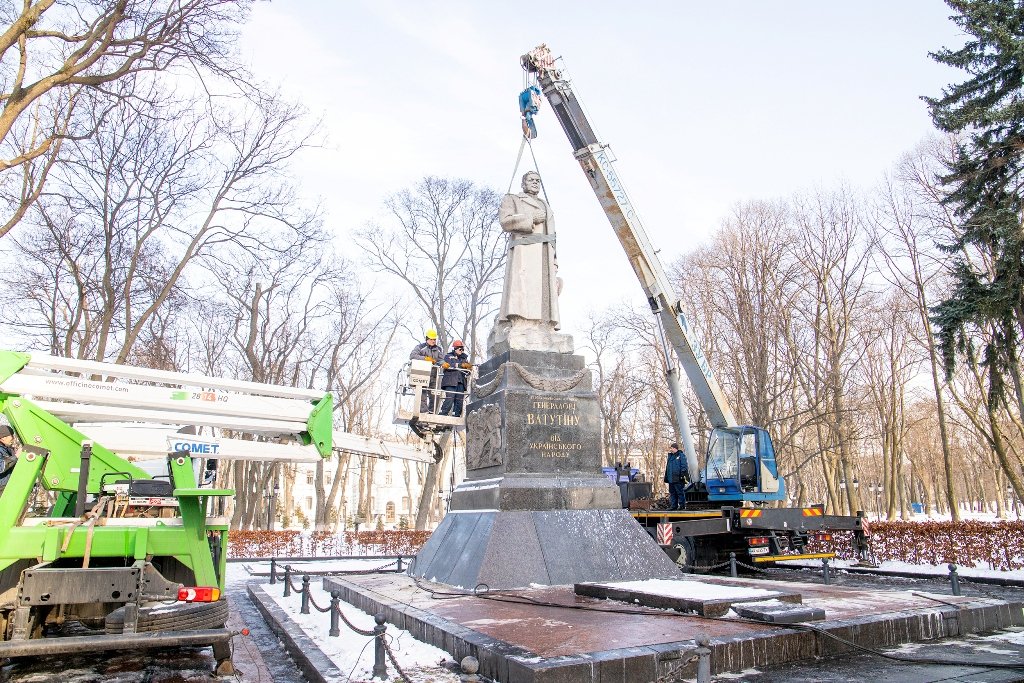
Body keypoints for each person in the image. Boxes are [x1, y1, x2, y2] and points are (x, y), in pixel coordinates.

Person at [496, 171, 561, 328]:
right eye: (531, 180)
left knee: (545, 293)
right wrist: (530, 218)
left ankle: (545, 325)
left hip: (544, 254)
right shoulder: (513, 199)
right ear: (523, 183)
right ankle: (522, 323)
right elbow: (505, 221)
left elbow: (552, 236)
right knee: (523, 291)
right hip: (525, 251)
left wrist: (554, 260)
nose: (535, 182)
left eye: (538, 180)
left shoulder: (546, 204)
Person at [409, 329, 443, 413]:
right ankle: (424, 412)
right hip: (422, 374)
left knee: (435, 396)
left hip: (434, 375)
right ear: (427, 339)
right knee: (422, 395)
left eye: (434, 339)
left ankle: (432, 412)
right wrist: (425, 359)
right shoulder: (420, 347)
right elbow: (412, 356)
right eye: (431, 339)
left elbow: (440, 360)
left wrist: (443, 363)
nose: (433, 341)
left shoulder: (438, 349)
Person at [438, 340, 472, 417]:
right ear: (455, 348)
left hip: (461, 382)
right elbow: (449, 365)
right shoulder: (448, 356)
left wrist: (469, 368)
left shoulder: (464, 358)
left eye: (463, 349)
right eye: (460, 349)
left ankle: (456, 415)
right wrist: (460, 365)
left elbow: (467, 372)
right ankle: (443, 413)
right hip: (450, 381)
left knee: (459, 400)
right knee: (450, 398)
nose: (462, 351)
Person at [663, 443, 689, 510]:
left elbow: (684, 466)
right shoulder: (670, 456)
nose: (670, 449)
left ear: (675, 448)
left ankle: (682, 506)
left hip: (678, 478)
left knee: (680, 492)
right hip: (671, 478)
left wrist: (682, 475)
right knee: (672, 493)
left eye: (671, 448)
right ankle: (673, 506)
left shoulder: (681, 455)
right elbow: (668, 467)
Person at [0, 425, 17, 490]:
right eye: (11, 435)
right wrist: (16, 456)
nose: (13, 438)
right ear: (3, 438)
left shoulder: (8, 449)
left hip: (7, 487)